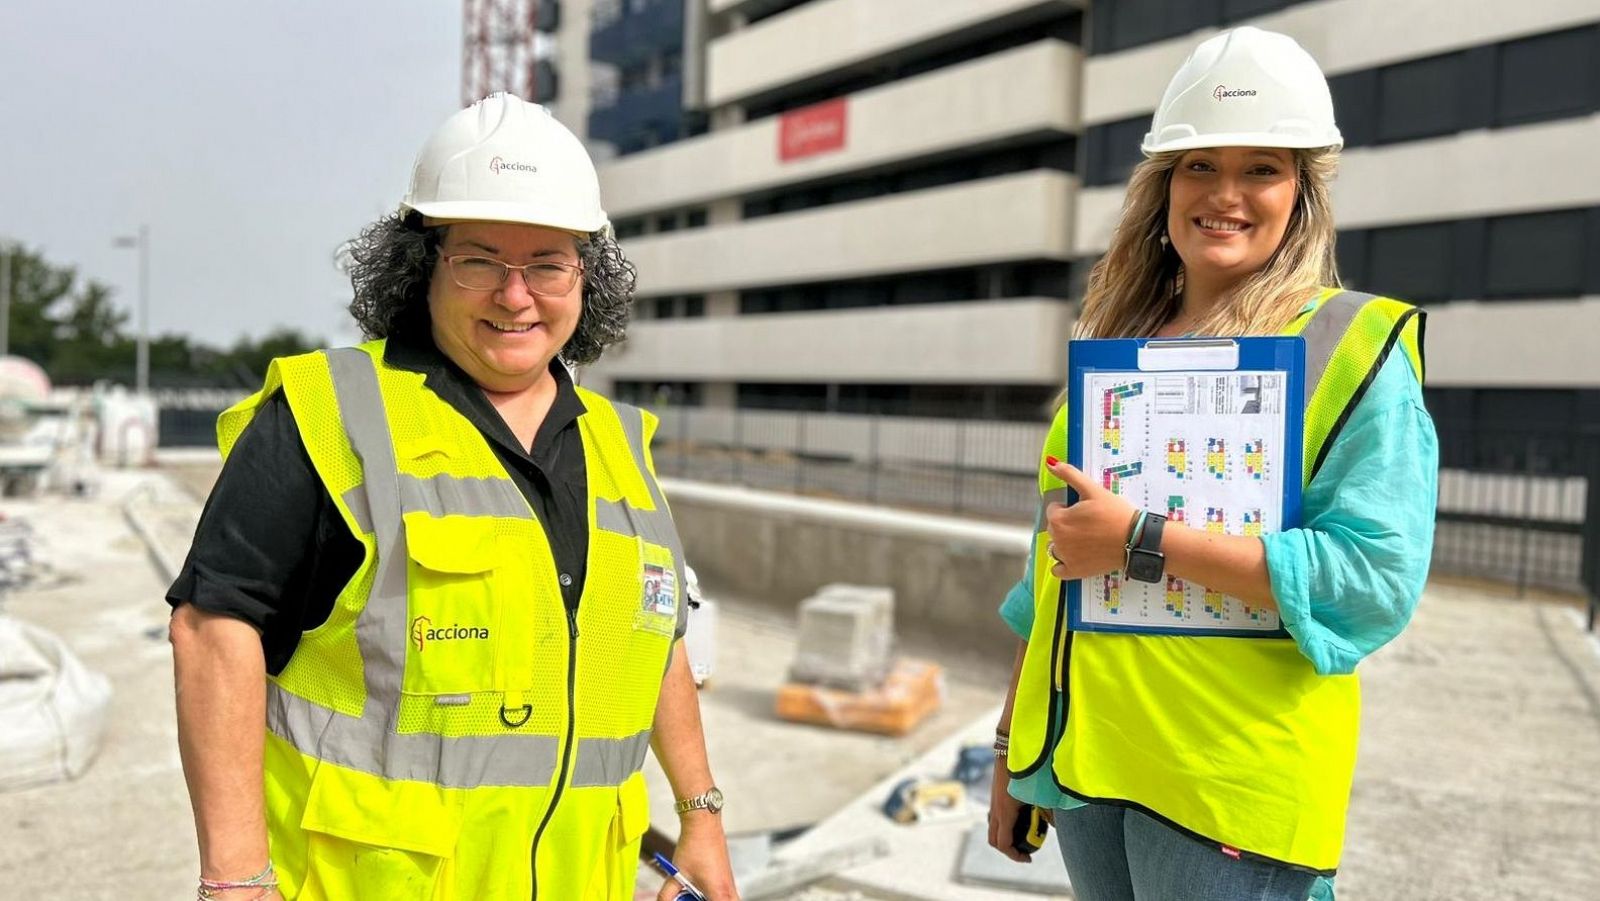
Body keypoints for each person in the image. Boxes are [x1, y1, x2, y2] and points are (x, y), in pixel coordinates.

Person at [168, 94, 739, 901]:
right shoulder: (328, 415)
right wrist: (235, 879)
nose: (516, 296)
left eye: (548, 262)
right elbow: (211, 629)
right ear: (422, 265)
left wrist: (702, 815)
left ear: (586, 276)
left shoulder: (620, 443)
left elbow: (659, 644)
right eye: (479, 259)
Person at [985, 27, 1435, 901]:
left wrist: (1144, 539)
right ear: (1162, 188)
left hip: (1228, 788)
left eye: (1261, 168)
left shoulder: (1351, 347)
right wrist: (1011, 750)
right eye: (1199, 166)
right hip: (1091, 766)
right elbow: (1052, 574)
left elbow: (1374, 578)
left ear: (1302, 190)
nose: (1225, 194)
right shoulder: (1116, 357)